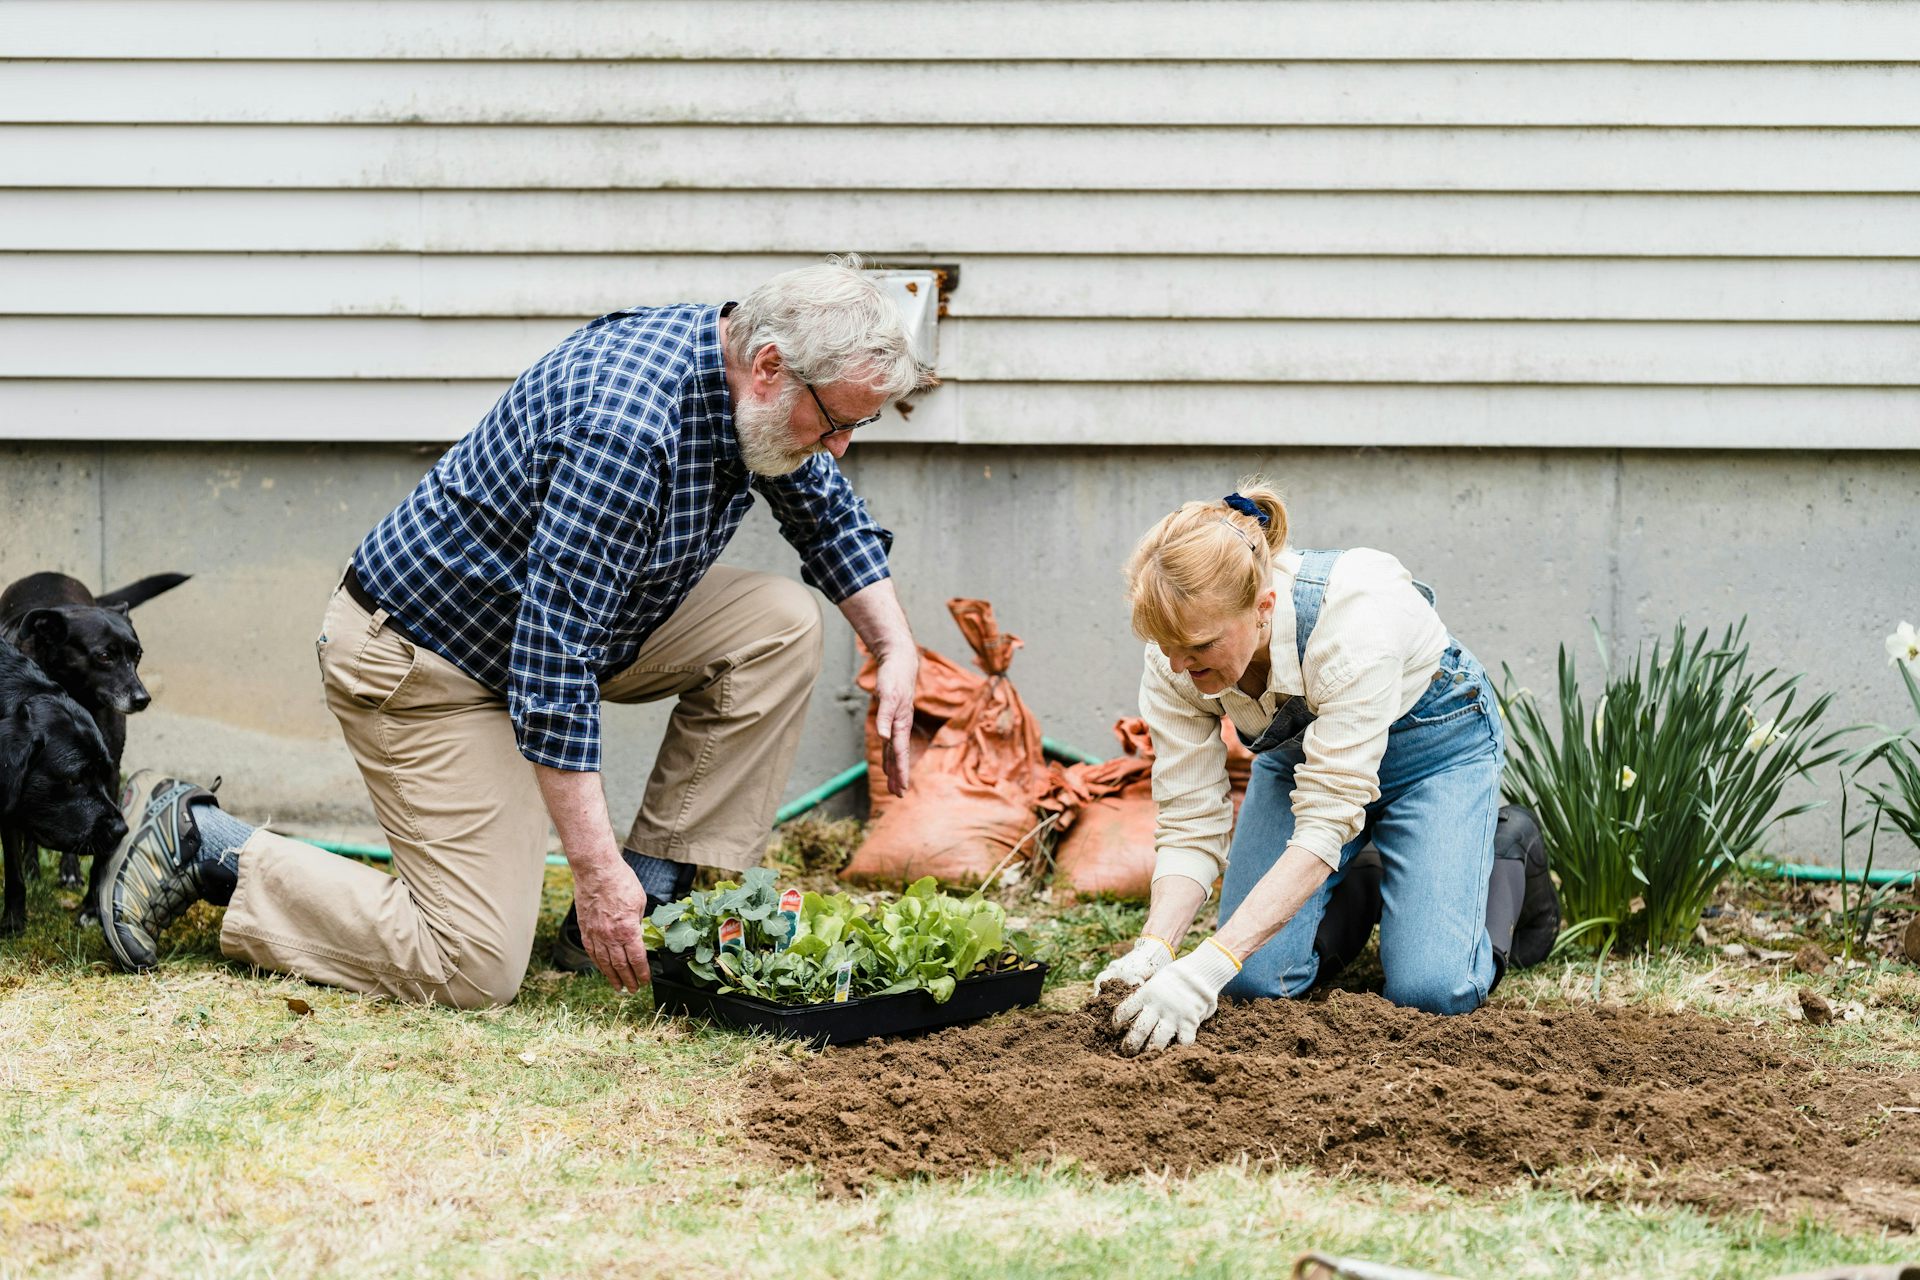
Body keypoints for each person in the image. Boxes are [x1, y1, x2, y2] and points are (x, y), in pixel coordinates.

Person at [96, 258, 934, 1008]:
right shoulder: (628, 430)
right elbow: (552, 669)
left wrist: (893, 645)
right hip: (427, 666)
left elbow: (822, 510)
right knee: (472, 965)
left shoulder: (748, 369)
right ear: (768, 370)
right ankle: (206, 842)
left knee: (777, 626)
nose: (841, 448)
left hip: (566, 623)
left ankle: (659, 898)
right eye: (833, 425)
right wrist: (594, 870)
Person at [1094, 481, 1557, 1055]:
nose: (1179, 666)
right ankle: (1362, 875)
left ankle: (1507, 852)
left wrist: (1204, 966)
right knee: (1252, 984)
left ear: (1262, 608)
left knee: (1433, 991)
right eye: (1166, 646)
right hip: (1305, 764)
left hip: (1435, 749)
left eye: (1200, 646)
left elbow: (1322, 825)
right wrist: (1157, 949)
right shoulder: (1176, 654)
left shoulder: (1354, 623)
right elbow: (1190, 820)